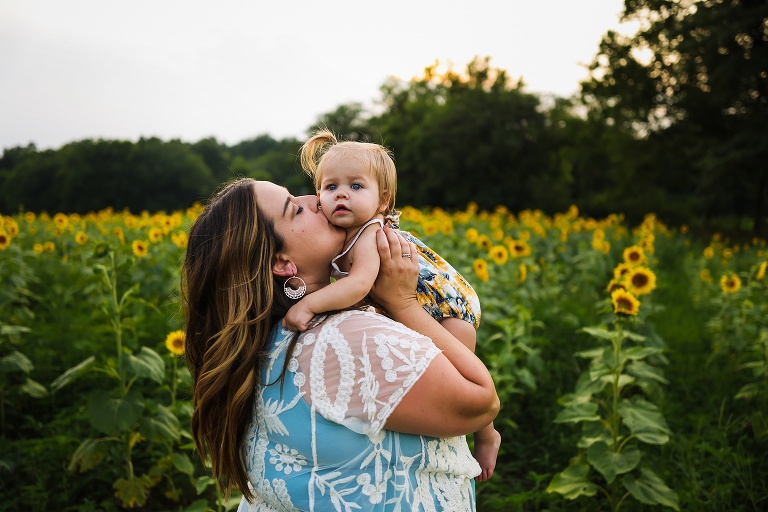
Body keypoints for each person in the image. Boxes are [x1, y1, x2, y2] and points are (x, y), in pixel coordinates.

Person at [182, 178, 500, 511]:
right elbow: (481, 404)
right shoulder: (346, 340)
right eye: (295, 208)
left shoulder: (268, 339)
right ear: (281, 263)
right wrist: (405, 302)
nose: (316, 199)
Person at [282, 130, 501, 480]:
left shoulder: (369, 233)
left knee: (461, 384)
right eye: (330, 187)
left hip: (445, 310)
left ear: (382, 201)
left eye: (356, 187)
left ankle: (486, 434)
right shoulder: (342, 233)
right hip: (413, 306)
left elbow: (358, 284)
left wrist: (309, 305)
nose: (341, 194)